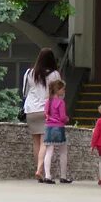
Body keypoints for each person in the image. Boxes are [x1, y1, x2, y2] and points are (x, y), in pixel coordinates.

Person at [22, 48, 62, 182]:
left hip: (30, 110)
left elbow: (25, 92)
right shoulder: (54, 74)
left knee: (35, 142)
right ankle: (40, 170)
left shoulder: (30, 73)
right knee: (45, 141)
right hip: (46, 109)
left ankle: (39, 171)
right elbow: (58, 93)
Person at [42, 79, 72, 184]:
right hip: (59, 128)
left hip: (48, 127)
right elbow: (63, 117)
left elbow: (45, 114)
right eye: (63, 89)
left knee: (49, 151)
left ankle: (47, 176)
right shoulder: (60, 102)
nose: (64, 91)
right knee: (63, 151)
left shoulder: (47, 102)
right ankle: (63, 176)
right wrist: (67, 119)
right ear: (58, 90)